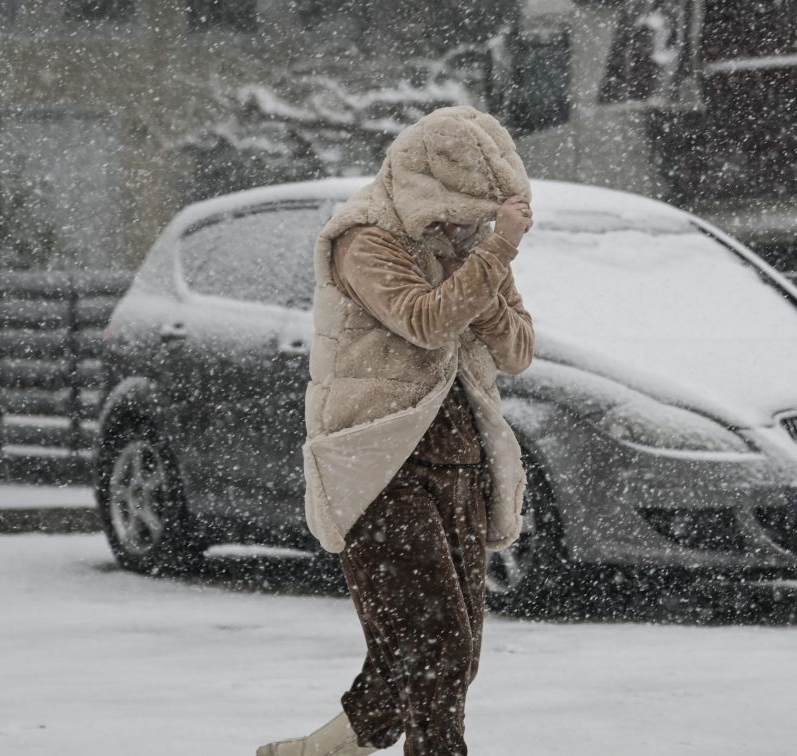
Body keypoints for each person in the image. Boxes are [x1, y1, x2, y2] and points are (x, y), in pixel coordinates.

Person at [256, 106, 535, 756]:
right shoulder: (365, 238)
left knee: (436, 656)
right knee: (435, 648)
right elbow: (424, 320)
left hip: (460, 458)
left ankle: (312, 753)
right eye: (458, 212)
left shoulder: (471, 250)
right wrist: (493, 253)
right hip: (376, 465)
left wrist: (481, 264)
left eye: (478, 216)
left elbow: (518, 349)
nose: (464, 227)